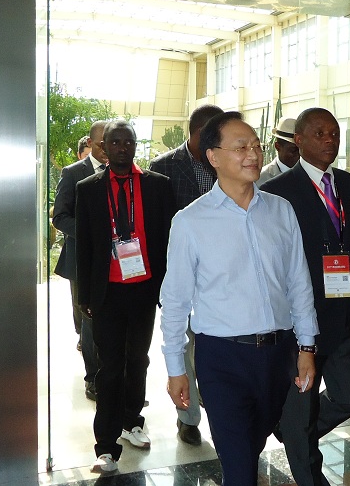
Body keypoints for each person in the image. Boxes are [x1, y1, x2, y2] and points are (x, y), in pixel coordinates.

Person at [160, 111, 319, 486]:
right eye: (240, 147)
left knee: (252, 447)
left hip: (278, 356)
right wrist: (175, 368)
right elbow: (175, 302)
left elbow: (298, 282)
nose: (253, 154)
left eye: (256, 145)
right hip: (222, 359)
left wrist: (306, 346)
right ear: (213, 156)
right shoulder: (190, 222)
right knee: (239, 465)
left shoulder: (280, 210)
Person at [261, 107, 350, 486]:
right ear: (299, 140)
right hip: (299, 320)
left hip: (344, 315)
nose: (329, 140)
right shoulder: (276, 191)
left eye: (334, 133)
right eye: (320, 133)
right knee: (301, 405)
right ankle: (307, 466)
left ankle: (293, 429)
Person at [75, 120, 176, 474]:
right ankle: (105, 446)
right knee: (110, 367)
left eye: (127, 141)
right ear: (104, 147)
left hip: (145, 287)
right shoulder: (88, 189)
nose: (121, 147)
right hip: (108, 291)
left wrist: (170, 287)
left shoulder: (157, 186)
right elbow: (85, 246)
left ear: (135, 145)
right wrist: (84, 295)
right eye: (114, 142)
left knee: (138, 360)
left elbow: (169, 239)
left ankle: (132, 420)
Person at [149, 103, 224, 445]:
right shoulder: (163, 168)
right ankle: (188, 417)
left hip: (222, 276)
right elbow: (155, 230)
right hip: (181, 275)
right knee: (183, 346)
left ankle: (219, 409)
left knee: (213, 349)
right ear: (196, 133)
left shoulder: (226, 162)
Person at [52, 120, 107, 400]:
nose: (110, 148)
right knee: (88, 321)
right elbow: (60, 216)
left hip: (117, 262)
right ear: (92, 143)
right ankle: (93, 379)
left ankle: (115, 380)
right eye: (104, 143)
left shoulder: (122, 172)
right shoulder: (73, 173)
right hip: (82, 260)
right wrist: (90, 234)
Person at [257, 116, 300, 186]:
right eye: (294, 150)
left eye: (302, 149)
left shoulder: (311, 174)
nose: (300, 154)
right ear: (278, 147)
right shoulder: (260, 179)